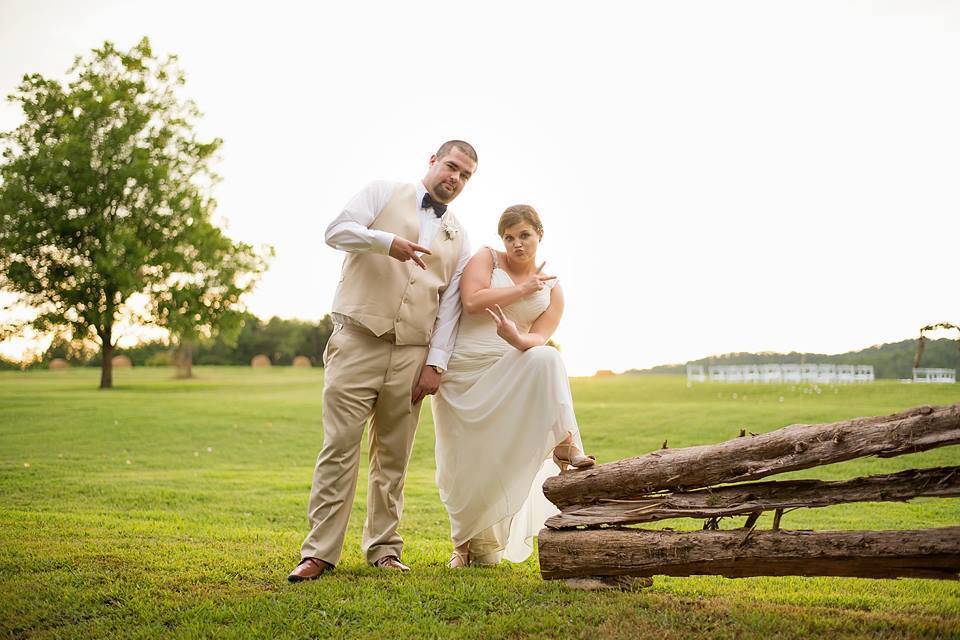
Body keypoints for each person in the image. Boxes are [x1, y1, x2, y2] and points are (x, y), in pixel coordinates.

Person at [288, 140, 477, 582]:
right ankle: (319, 552)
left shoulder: (459, 235)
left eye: (466, 175)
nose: (456, 178)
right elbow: (335, 231)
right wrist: (385, 242)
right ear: (432, 161)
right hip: (356, 340)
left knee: (393, 458)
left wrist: (437, 363)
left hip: (413, 353)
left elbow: (449, 304)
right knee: (339, 448)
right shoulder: (380, 192)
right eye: (452, 167)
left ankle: (385, 549)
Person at [432, 204, 594, 568]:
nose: (517, 243)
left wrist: (516, 338)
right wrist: (522, 289)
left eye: (524, 235)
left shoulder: (554, 289)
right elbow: (472, 301)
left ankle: (565, 443)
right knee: (462, 461)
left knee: (548, 358)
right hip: (463, 372)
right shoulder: (487, 258)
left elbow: (539, 338)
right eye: (509, 237)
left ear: (539, 234)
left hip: (511, 366)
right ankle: (464, 545)